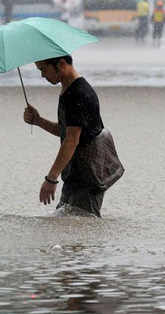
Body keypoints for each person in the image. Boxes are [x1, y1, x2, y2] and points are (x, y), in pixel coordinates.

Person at [23, 56, 106, 217]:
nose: (42, 76)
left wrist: (51, 179)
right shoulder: (71, 90)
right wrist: (38, 121)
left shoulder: (77, 94)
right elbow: (66, 132)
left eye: (43, 70)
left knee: (81, 231)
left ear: (61, 64)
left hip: (86, 178)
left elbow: (72, 140)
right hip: (76, 175)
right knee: (71, 229)